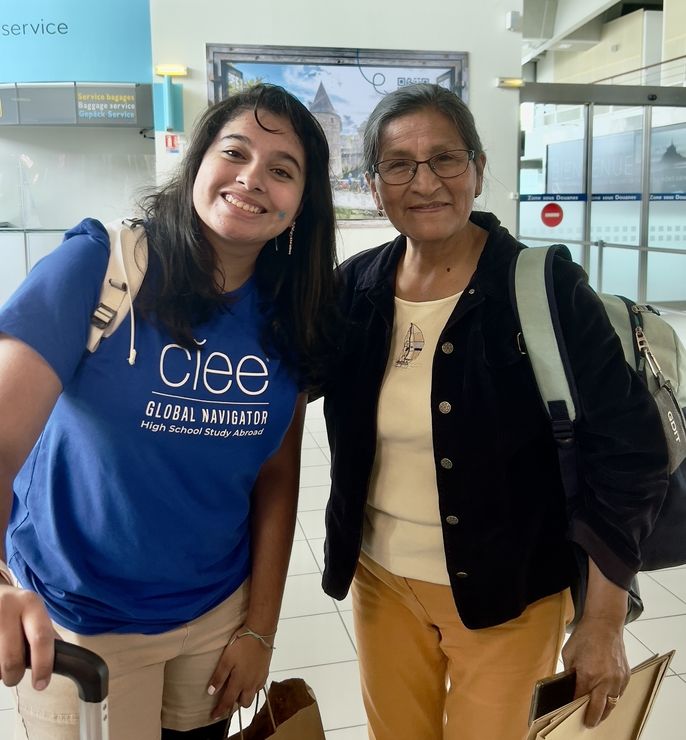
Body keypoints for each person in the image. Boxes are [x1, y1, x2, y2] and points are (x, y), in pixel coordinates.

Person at [320, 83, 668, 740]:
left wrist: (602, 618)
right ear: (375, 185)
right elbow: (276, 383)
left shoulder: (541, 285)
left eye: (445, 159)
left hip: (510, 590)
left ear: (478, 169)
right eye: (400, 164)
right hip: (380, 583)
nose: (425, 181)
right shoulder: (356, 289)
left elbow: (632, 452)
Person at [0, 83, 338, 739]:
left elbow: (275, 475)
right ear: (197, 165)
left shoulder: (290, 316)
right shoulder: (99, 266)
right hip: (84, 616)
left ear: (301, 206)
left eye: (282, 169)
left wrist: (261, 628)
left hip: (213, 615)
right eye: (234, 152)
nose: (251, 179)